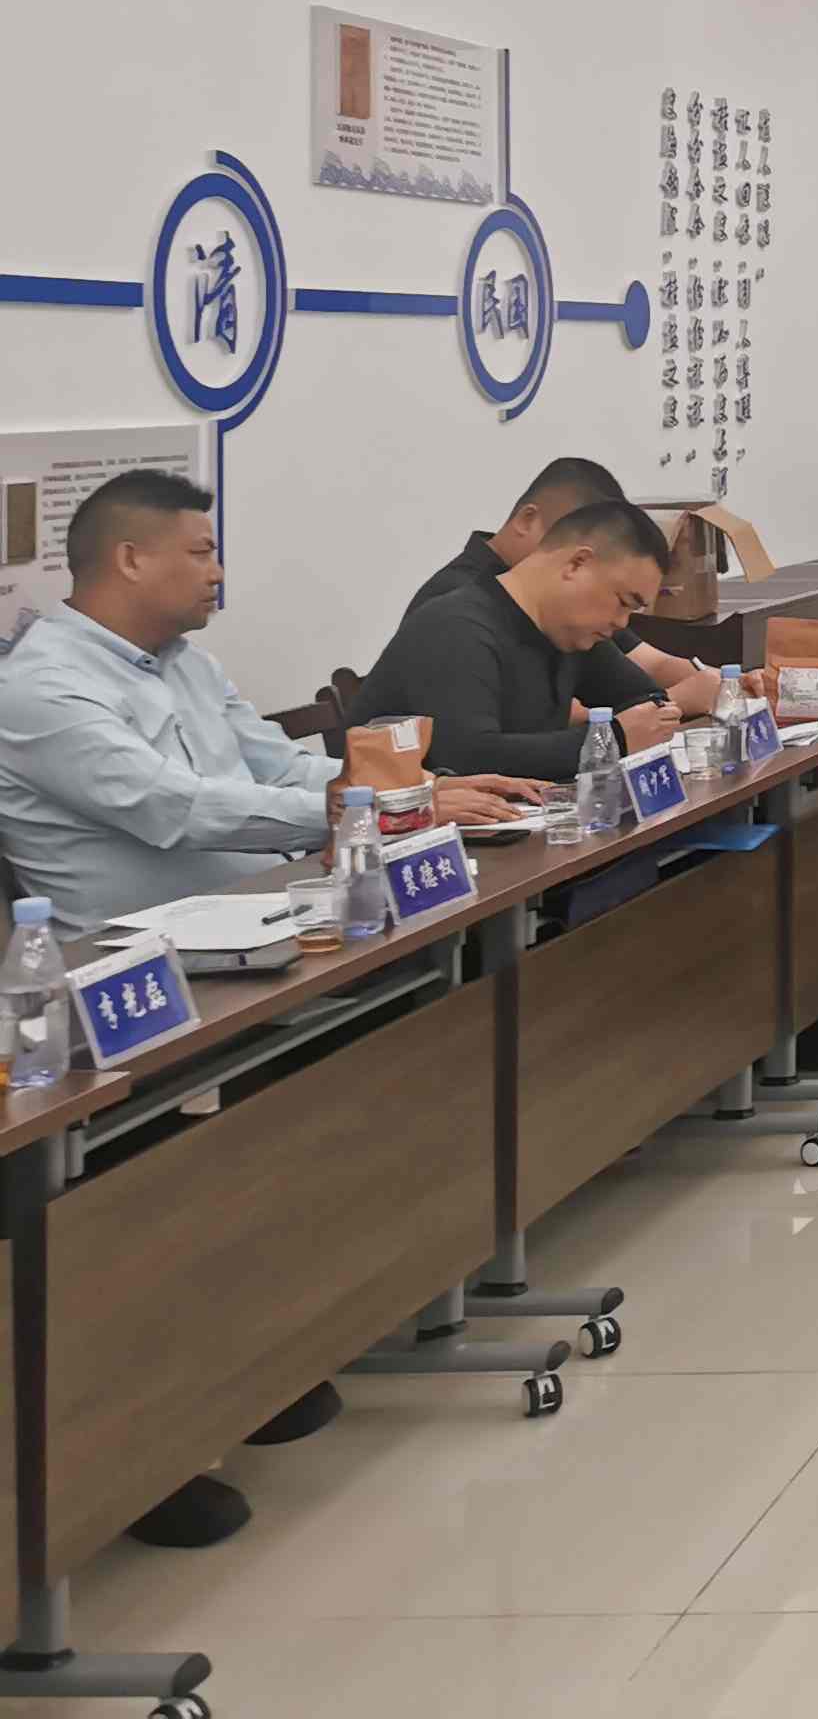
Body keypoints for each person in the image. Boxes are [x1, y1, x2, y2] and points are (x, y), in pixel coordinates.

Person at [0, 469, 521, 1551]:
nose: (218, 572)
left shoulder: (182, 662)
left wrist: (392, 794)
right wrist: (353, 807)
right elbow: (171, 806)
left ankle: (266, 1356)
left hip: (248, 944)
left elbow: (275, 758)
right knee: (152, 1203)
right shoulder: (41, 687)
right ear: (129, 558)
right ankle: (140, 1454)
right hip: (126, 989)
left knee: (333, 1108)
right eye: (200, 551)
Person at [355, 499, 678, 782]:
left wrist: (636, 726)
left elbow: (647, 701)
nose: (622, 623)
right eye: (623, 602)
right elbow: (467, 760)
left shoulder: (568, 632)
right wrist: (610, 739)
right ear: (577, 564)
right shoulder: (453, 627)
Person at [406, 455, 717, 721]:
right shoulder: (454, 603)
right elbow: (545, 720)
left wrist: (723, 684)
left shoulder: (577, 605)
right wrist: (672, 705)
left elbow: (649, 663)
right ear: (527, 520)